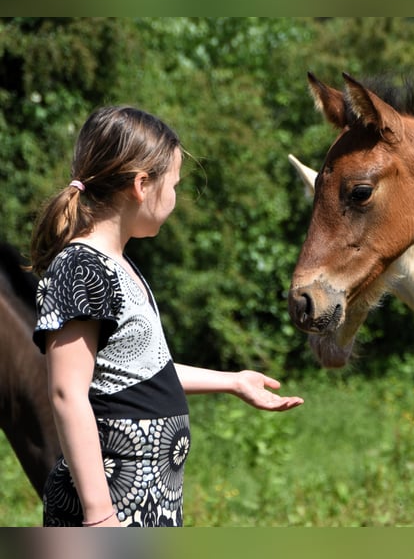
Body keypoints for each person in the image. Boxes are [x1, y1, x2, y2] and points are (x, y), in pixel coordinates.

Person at [29, 105, 304, 527]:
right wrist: (100, 515)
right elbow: (68, 393)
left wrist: (232, 381)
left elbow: (143, 375)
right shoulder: (82, 269)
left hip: (148, 504)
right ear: (142, 185)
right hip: (112, 511)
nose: (175, 197)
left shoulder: (120, 266)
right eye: (173, 184)